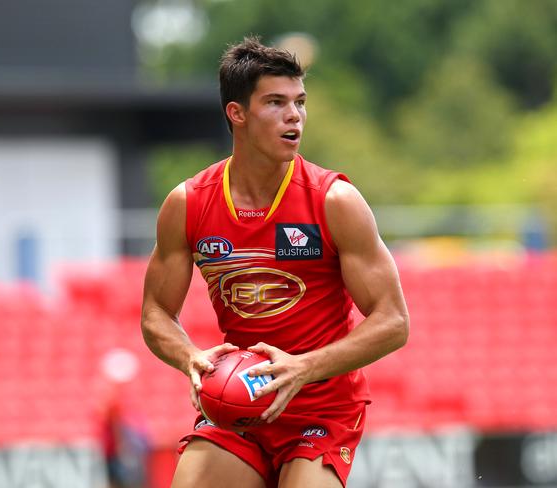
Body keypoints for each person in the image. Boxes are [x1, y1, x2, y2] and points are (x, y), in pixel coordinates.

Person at [141, 36, 409, 488]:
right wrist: (190, 357)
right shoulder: (187, 204)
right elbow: (154, 313)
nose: (295, 116)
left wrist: (303, 368)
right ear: (237, 114)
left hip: (321, 409)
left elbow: (393, 322)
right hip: (239, 404)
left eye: (300, 102)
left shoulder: (335, 201)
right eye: (276, 102)